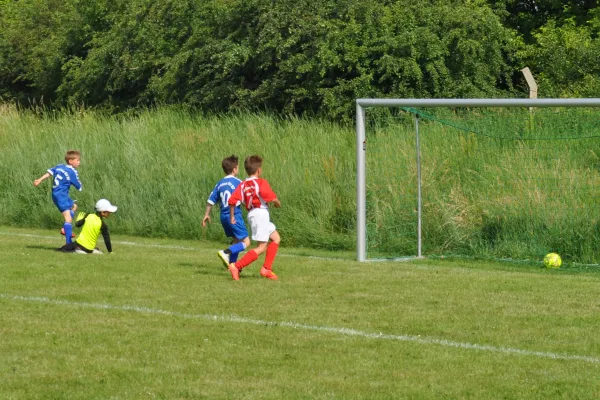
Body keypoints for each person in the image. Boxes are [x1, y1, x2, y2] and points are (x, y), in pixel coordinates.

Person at [227, 155, 281, 281]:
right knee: (261, 247)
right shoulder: (261, 182)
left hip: (253, 214)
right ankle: (237, 266)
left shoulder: (243, 184)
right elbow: (270, 197)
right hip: (260, 214)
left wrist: (232, 216)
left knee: (276, 238)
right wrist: (277, 202)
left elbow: (232, 200)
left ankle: (267, 268)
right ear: (259, 171)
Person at [202, 155, 250, 268]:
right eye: (238, 167)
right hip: (234, 215)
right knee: (246, 242)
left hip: (223, 216)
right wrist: (249, 208)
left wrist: (206, 215)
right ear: (234, 169)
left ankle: (232, 265)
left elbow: (211, 200)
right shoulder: (238, 182)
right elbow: (243, 199)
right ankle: (226, 253)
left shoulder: (220, 184)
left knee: (237, 241)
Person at [34, 150, 82, 244]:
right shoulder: (72, 172)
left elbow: (50, 173)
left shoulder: (60, 166)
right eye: (78, 160)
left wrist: (39, 180)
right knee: (68, 219)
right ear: (71, 161)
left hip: (56, 194)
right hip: (61, 196)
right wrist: (79, 184)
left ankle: (64, 229)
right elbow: (79, 187)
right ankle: (69, 243)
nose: (79, 162)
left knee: (74, 206)